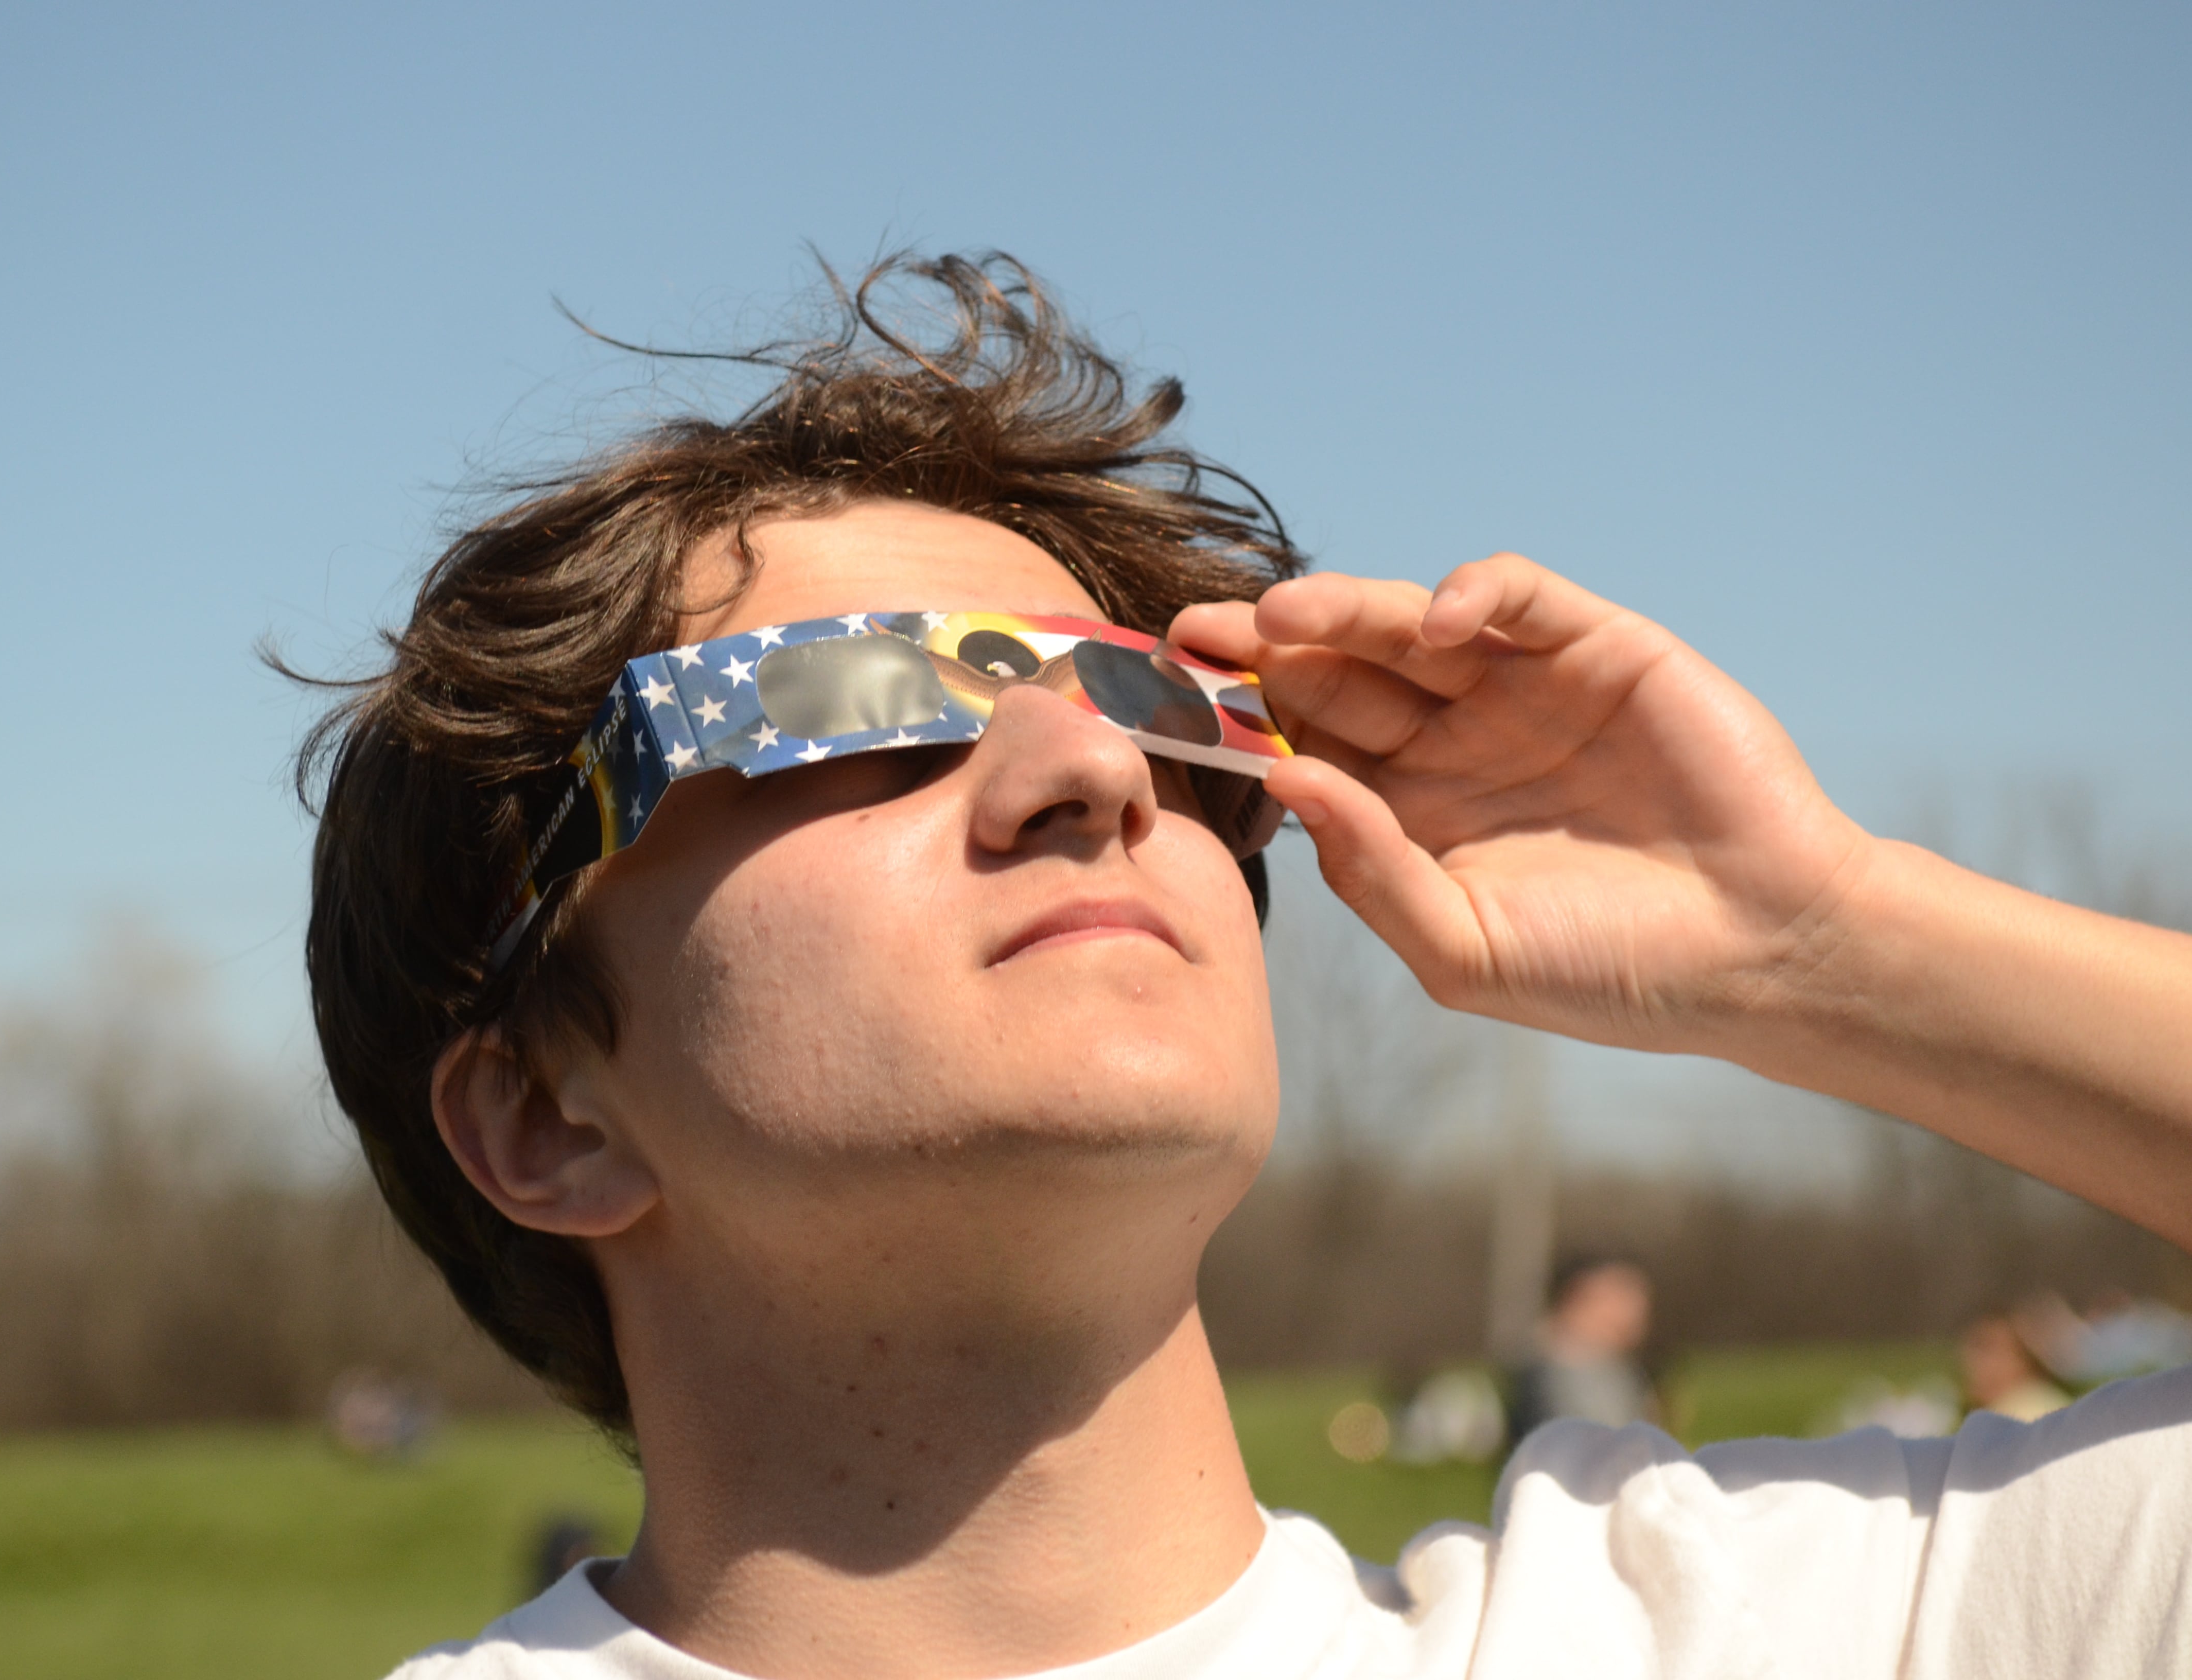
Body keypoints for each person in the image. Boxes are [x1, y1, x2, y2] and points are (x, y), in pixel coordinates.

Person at [294, 255, 2192, 1679]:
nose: (1094, 765)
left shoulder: (1784, 1623)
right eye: (853, 709)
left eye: (1158, 701)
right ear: (549, 1107)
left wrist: (1830, 943)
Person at [1504, 1256, 1659, 1444]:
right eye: (1622, 1295)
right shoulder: (1563, 1375)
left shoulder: (1612, 1367)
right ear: (1578, 1296)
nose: (1636, 1311)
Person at [1959, 1310, 2069, 1424]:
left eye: (1986, 1349)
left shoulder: (2022, 1413)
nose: (1972, 1359)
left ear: (2023, 1360)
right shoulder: (2048, 1402)